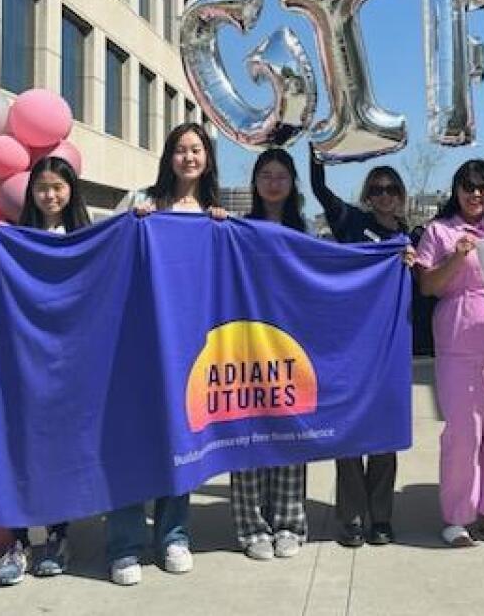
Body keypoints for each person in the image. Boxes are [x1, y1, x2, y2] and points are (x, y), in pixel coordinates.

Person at [105, 122, 228, 586]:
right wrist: (127, 223)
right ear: (168, 157)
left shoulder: (213, 213)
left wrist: (221, 231)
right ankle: (124, 546)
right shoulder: (142, 201)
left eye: (196, 150)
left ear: (207, 158)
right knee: (132, 441)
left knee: (183, 438)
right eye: (180, 150)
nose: (189, 158)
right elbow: (103, 250)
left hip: (190, 346)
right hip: (135, 344)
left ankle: (174, 535)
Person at [0, 156, 90, 587]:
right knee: (17, 445)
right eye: (42, 188)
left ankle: (58, 536)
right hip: (22, 362)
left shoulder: (88, 239)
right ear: (31, 194)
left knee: (58, 450)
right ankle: (17, 542)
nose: (50, 195)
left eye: (58, 186)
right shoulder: (14, 240)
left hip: (69, 366)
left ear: (71, 190)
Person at [414, 159, 484, 548]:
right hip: (461, 342)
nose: (475, 194)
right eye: (467, 186)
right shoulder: (440, 231)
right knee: (464, 433)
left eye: (483, 187)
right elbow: (428, 285)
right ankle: (458, 516)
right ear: (456, 190)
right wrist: (457, 257)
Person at [309, 146, 413, 548]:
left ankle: (381, 517)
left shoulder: (411, 236)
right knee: (349, 431)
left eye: (390, 189)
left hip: (390, 347)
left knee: (385, 433)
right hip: (351, 343)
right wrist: (319, 148)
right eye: (377, 190)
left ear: (400, 194)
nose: (384, 196)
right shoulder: (351, 221)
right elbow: (319, 188)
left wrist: (413, 261)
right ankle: (351, 517)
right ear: (368, 196)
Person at [231, 148, 311, 560]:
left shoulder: (306, 232)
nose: (274, 182)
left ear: (293, 182)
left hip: (289, 346)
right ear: (256, 182)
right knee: (245, 430)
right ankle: (251, 528)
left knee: (288, 431)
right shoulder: (236, 230)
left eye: (281, 175)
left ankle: (289, 524)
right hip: (243, 344)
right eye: (266, 174)